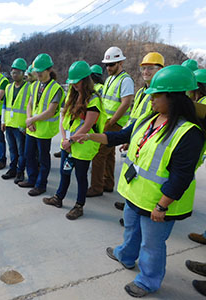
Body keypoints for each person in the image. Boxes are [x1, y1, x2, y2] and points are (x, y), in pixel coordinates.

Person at [75, 65, 205, 297]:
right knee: (132, 228)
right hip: (136, 193)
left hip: (159, 201)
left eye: (156, 95)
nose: (150, 99)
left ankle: (148, 281)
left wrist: (162, 205)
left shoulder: (189, 133)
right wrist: (90, 135)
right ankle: (125, 255)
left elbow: (181, 176)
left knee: (151, 245)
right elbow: (121, 136)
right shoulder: (150, 118)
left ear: (174, 98)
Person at [43, 61, 106, 219]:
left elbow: (87, 125)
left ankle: (79, 206)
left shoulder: (93, 100)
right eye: (72, 82)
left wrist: (70, 142)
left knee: (80, 176)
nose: (74, 85)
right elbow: (64, 119)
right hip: (68, 144)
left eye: (76, 82)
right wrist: (65, 140)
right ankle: (58, 198)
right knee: (65, 172)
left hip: (82, 145)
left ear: (85, 80)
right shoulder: (72, 95)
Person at [114, 52, 164, 212]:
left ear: (160, 70)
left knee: (144, 176)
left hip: (149, 141)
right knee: (132, 171)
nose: (145, 72)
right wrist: (130, 138)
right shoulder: (142, 91)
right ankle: (130, 201)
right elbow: (136, 117)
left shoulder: (162, 94)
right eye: (143, 68)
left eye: (150, 68)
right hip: (136, 137)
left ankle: (138, 207)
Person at [87, 46, 134, 197]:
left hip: (114, 123)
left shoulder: (125, 80)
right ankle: (107, 183)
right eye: (107, 64)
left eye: (112, 64)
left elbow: (126, 103)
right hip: (106, 121)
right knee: (108, 155)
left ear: (121, 63)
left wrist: (112, 122)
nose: (108, 67)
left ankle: (96, 187)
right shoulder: (110, 79)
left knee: (99, 154)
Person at [18, 53, 65, 196]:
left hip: (44, 130)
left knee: (43, 159)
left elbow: (51, 111)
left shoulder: (56, 88)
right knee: (29, 155)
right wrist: (29, 118)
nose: (37, 74)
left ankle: (41, 184)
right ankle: (32, 179)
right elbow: (30, 104)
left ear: (49, 70)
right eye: (36, 71)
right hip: (33, 128)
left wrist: (32, 120)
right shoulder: (34, 85)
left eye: (40, 71)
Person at [1, 58, 31, 183]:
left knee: (21, 151)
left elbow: (32, 107)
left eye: (17, 72)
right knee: (12, 149)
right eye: (13, 72)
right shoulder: (8, 87)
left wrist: (28, 125)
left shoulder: (29, 88)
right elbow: (5, 105)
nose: (14, 74)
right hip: (9, 124)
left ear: (23, 73)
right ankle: (12, 169)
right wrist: (3, 121)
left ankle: (20, 172)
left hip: (21, 126)